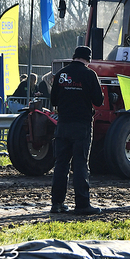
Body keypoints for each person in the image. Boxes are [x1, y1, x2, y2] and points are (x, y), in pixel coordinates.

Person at [50, 46, 104, 215]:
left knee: (61, 164)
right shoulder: (89, 74)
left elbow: (53, 100)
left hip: (63, 124)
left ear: (74, 57)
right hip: (81, 125)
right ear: (88, 59)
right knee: (80, 164)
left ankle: (57, 204)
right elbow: (98, 101)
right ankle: (82, 204)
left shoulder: (61, 75)